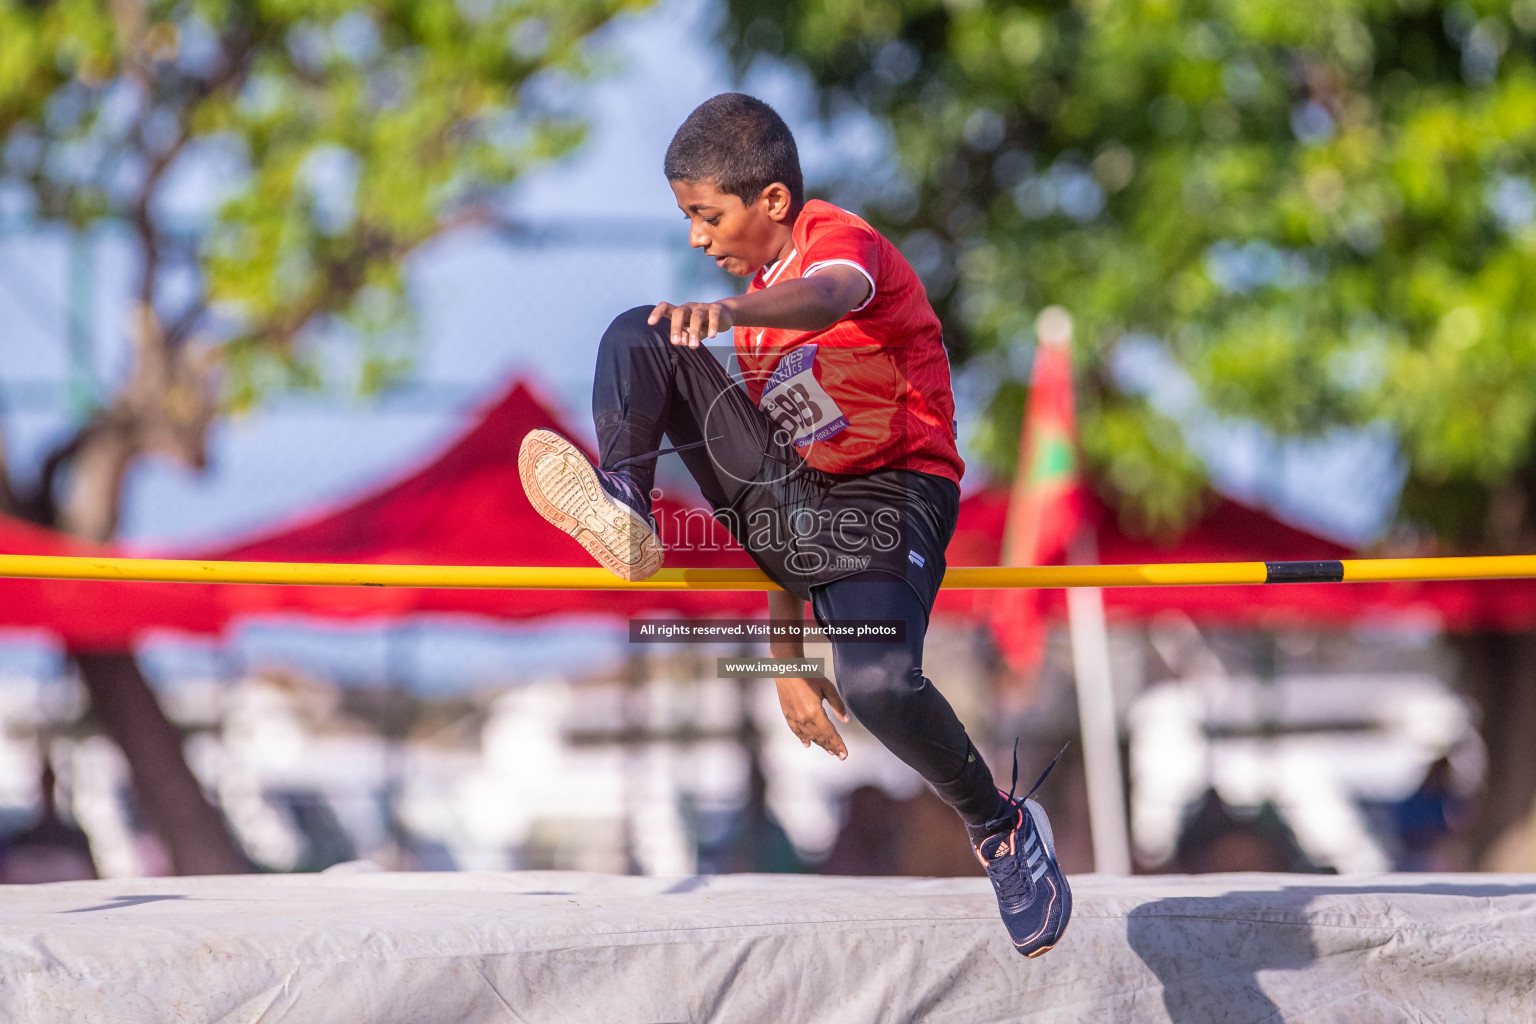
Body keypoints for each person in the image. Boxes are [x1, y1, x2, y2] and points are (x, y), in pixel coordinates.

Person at [517, 93, 1070, 956]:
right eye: (688, 219)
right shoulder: (756, 332)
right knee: (645, 330)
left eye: (707, 216)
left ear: (771, 201)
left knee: (881, 684)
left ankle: (1001, 827)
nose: (698, 238)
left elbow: (830, 297)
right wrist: (783, 660)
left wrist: (734, 316)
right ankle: (623, 500)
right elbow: (782, 510)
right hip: (804, 507)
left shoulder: (835, 241)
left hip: (894, 501)